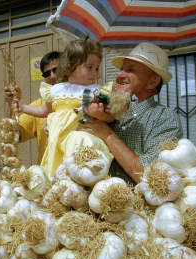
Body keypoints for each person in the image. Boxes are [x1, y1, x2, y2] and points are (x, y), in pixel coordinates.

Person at [78, 42, 183, 185]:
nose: (120, 75)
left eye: (130, 70)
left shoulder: (164, 118)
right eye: (121, 69)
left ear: (152, 81)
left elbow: (152, 178)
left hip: (138, 206)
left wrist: (108, 135)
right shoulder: (109, 111)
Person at [13, 37, 116, 177]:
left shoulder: (96, 91)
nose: (95, 72)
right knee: (58, 172)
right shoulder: (56, 90)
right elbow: (45, 110)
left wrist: (100, 115)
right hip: (58, 142)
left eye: (97, 68)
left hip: (82, 141)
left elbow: (111, 117)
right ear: (70, 66)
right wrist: (23, 107)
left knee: (81, 167)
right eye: (90, 67)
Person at [4, 51, 61, 165]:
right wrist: (12, 106)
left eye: (56, 70)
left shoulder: (82, 101)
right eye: (47, 73)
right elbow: (13, 136)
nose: (52, 76)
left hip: (78, 176)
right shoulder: (38, 107)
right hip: (48, 178)